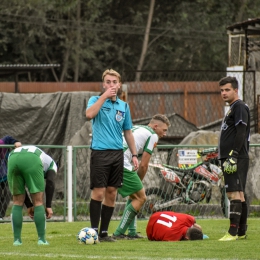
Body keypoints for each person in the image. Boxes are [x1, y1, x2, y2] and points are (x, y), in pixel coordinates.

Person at [86, 69, 138, 242]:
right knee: (99, 192)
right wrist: (104, 96)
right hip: (100, 153)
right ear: (103, 84)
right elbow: (89, 115)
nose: (111, 85)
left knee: (112, 192)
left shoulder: (123, 106)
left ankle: (104, 233)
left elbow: (128, 132)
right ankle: (93, 232)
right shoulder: (95, 100)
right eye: (107, 82)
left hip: (118, 154)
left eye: (114, 82)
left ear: (119, 84)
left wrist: (135, 155)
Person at [112, 114, 171, 239]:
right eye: (164, 130)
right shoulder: (153, 135)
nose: (165, 134)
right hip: (121, 162)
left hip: (111, 159)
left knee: (135, 195)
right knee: (141, 197)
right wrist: (139, 180)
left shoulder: (138, 127)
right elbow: (144, 164)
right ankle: (119, 233)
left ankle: (132, 232)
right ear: (155, 126)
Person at [218, 76, 250, 241]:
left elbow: (241, 132)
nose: (224, 93)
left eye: (227, 90)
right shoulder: (233, 108)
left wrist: (234, 155)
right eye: (222, 90)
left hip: (235, 157)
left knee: (234, 194)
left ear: (235, 90)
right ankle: (241, 231)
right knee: (240, 194)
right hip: (231, 156)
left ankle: (232, 233)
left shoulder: (239, 107)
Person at [7, 145, 57, 246]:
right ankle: (41, 240)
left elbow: (22, 189)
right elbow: (50, 182)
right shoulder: (52, 164)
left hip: (12, 157)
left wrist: (29, 206)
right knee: (38, 202)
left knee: (17, 201)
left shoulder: (43, 157)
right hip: (32, 158)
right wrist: (48, 206)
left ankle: (17, 241)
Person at [0, 136, 22, 220]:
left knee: (8, 193)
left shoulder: (2, 143)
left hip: (5, 176)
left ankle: (1, 216)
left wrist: (16, 142)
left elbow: (8, 138)